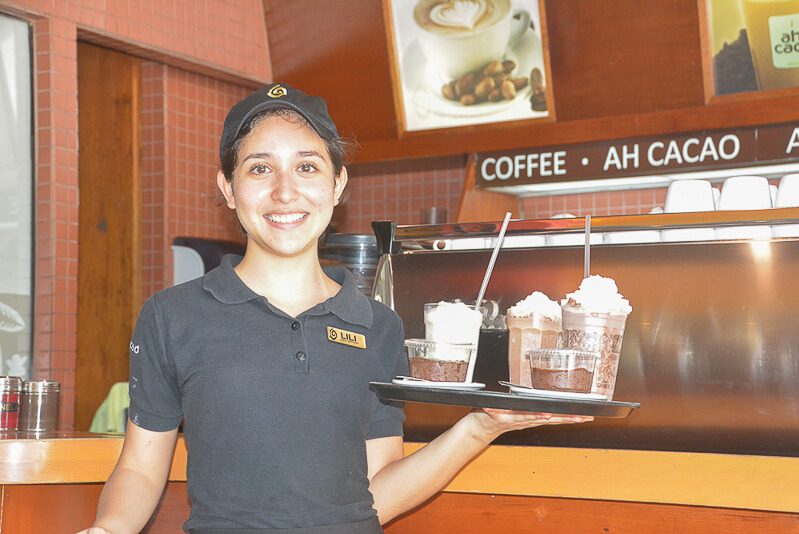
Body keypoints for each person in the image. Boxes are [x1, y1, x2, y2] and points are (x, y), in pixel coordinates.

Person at [78, 82, 591, 534]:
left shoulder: (379, 326)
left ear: (338, 185)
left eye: (307, 166)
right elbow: (141, 469)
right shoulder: (173, 315)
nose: (285, 191)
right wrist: (108, 527)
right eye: (260, 168)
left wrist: (481, 426)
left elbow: (377, 492)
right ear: (227, 188)